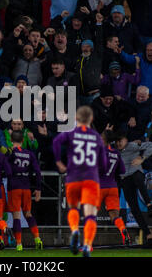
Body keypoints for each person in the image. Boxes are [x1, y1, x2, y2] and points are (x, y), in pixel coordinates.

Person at [52, 106, 107, 257]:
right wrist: (98, 172)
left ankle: (75, 230)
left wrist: (59, 162)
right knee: (90, 215)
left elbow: (56, 142)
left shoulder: (71, 133)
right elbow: (103, 163)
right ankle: (87, 245)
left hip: (73, 178)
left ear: (76, 118)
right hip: (90, 178)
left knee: (73, 208)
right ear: (91, 119)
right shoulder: (96, 137)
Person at [114, 130, 152, 246]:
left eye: (120, 141)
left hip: (135, 173)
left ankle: (149, 204)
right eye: (117, 141)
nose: (118, 144)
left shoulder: (132, 146)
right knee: (133, 207)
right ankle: (148, 235)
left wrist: (142, 157)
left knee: (137, 178)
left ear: (125, 140)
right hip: (125, 179)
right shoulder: (113, 149)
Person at [7, 130, 42, 251]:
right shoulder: (29, 153)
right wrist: (38, 188)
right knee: (28, 214)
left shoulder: (10, 153)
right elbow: (37, 171)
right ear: (22, 141)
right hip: (26, 187)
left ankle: (19, 244)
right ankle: (37, 239)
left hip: (14, 187)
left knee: (16, 216)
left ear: (11, 140)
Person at [98, 131, 130, 245]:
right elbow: (122, 171)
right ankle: (122, 229)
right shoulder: (116, 153)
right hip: (112, 187)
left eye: (101, 137)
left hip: (99, 187)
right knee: (114, 215)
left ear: (105, 140)